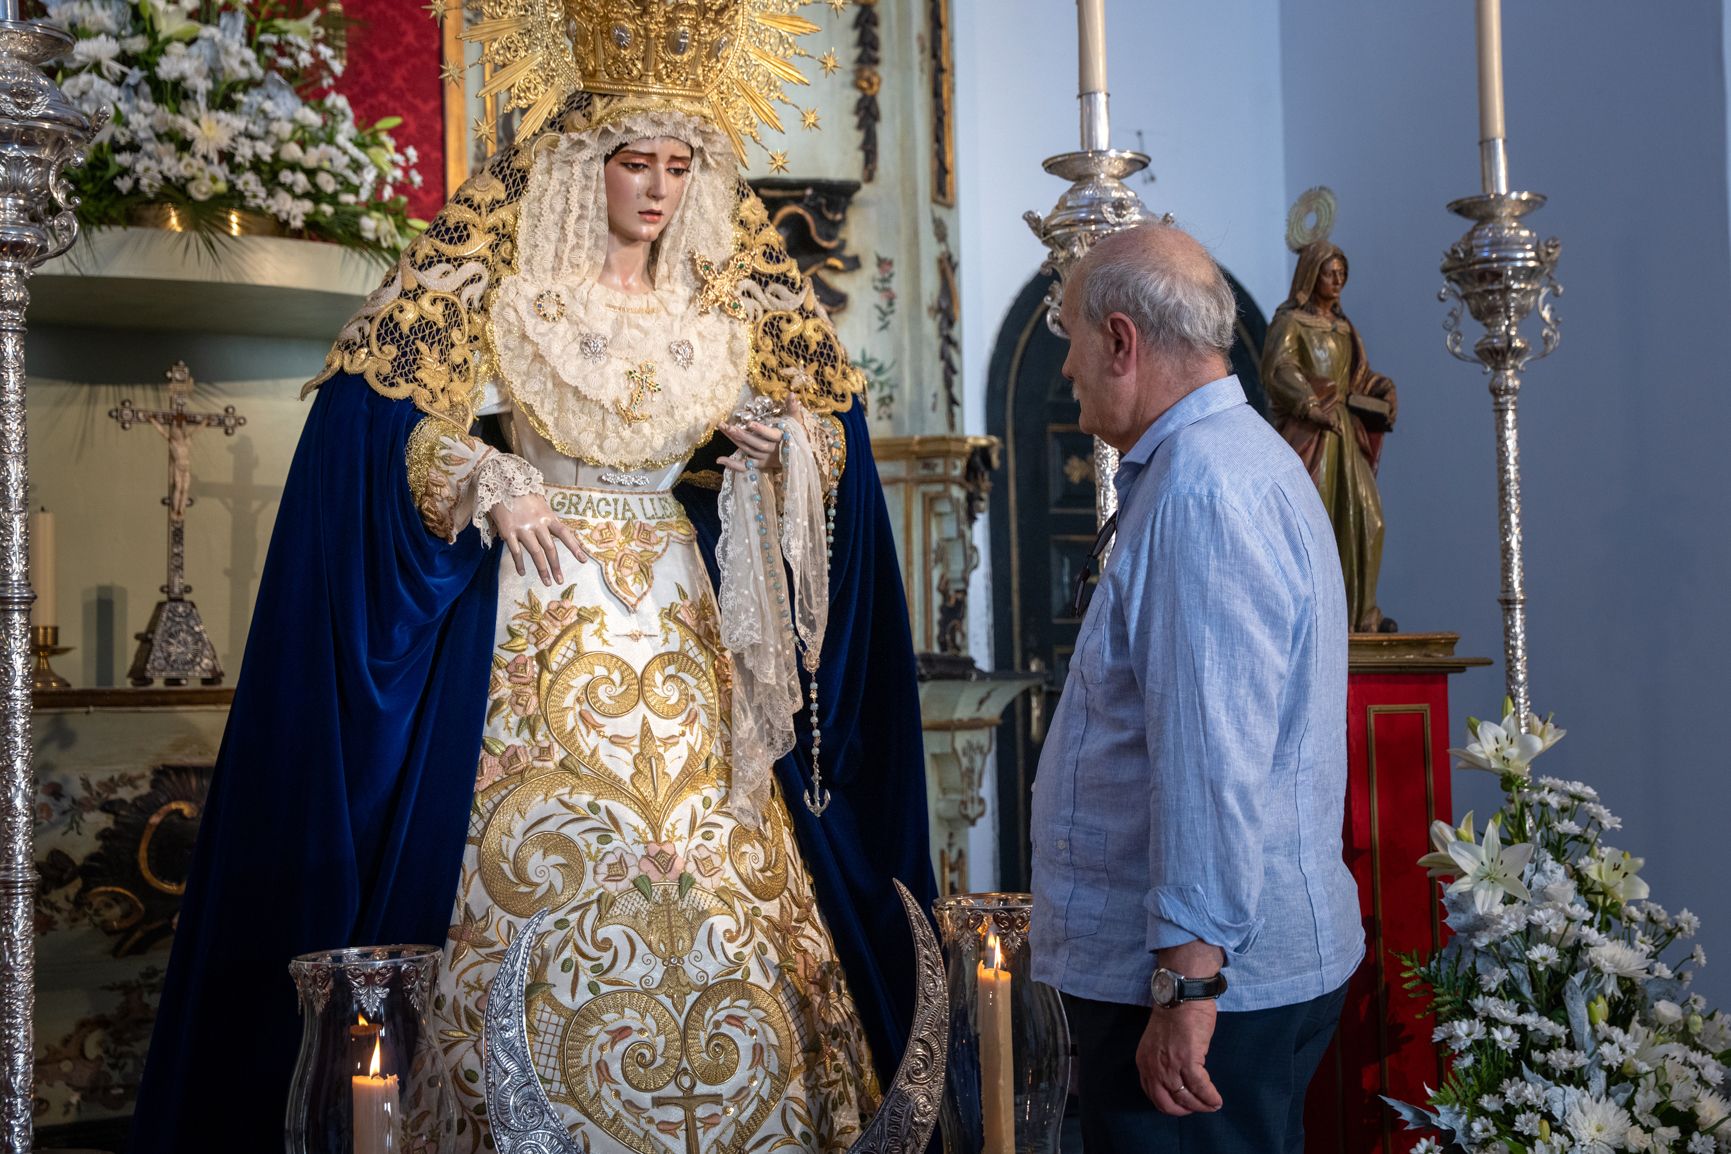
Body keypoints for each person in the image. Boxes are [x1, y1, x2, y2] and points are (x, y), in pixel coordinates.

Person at [128, 10, 935, 1152]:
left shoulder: (720, 311)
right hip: (536, 626)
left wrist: (791, 451)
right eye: (634, 162)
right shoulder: (507, 296)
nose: (658, 190)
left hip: (680, 622)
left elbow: (832, 438)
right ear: (580, 162)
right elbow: (376, 428)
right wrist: (484, 469)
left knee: (728, 889)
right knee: (527, 874)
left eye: (679, 166)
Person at [1029, 223, 1364, 1154]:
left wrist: (1187, 985)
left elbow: (1211, 759)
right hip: (1229, 975)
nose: (1067, 373)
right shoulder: (1237, 459)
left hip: (1204, 991)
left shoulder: (1204, 490)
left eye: (1070, 341)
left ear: (1122, 342)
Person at [1261, 240, 1400, 632]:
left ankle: (1361, 615)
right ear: (1310, 274)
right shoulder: (1290, 322)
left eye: (1342, 274)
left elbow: (1357, 377)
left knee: (1369, 520)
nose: (1337, 281)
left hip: (1343, 433)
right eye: (1329, 273)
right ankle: (1312, 614)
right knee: (1311, 520)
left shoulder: (1344, 328)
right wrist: (1308, 404)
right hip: (1312, 431)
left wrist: (1382, 389)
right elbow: (1279, 368)